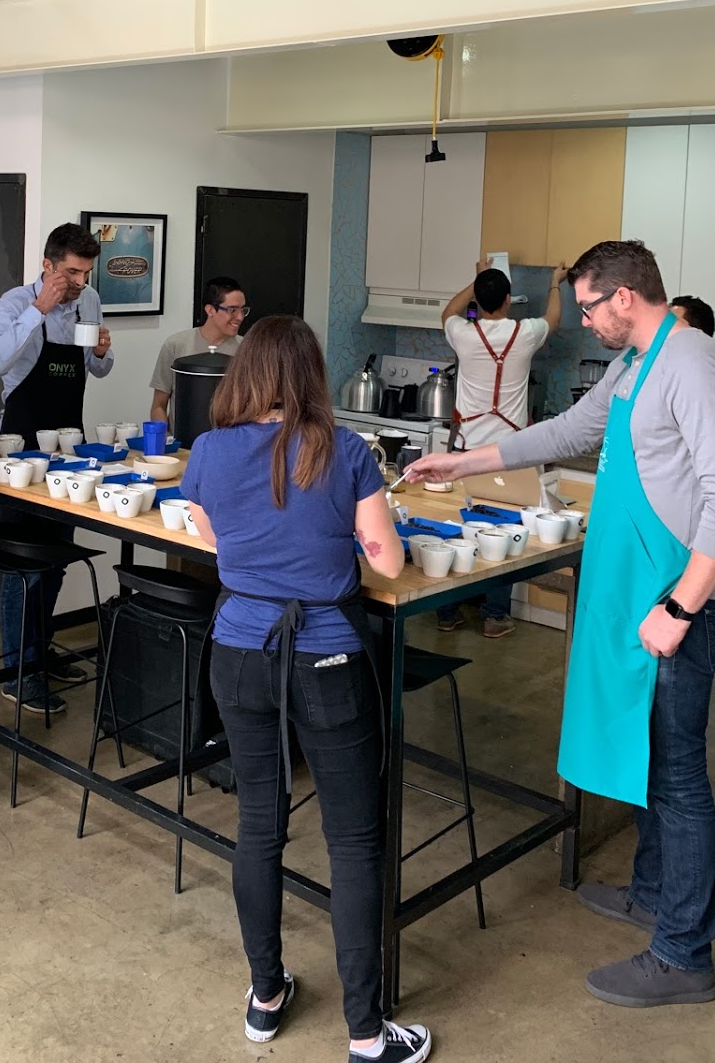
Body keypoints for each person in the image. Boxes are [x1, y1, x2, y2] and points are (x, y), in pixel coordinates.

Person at [408, 240, 715, 1008]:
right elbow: (565, 432)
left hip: (680, 600)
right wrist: (461, 463)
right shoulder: (638, 365)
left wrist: (679, 608)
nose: (587, 321)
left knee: (677, 776)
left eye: (592, 306)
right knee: (649, 758)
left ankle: (683, 953)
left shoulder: (694, 366)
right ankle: (652, 894)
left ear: (624, 297)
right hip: (647, 592)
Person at [181, 316, 431, 1063]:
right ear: (310, 376)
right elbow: (385, 562)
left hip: (237, 651)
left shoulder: (210, 451)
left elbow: (210, 534)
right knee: (354, 843)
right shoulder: (342, 449)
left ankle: (265, 997)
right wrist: (346, 546)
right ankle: (364, 1033)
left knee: (260, 822)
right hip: (325, 657)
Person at [0, 222, 114, 715]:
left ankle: (40, 652)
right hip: (19, 448)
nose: (79, 282)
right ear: (47, 265)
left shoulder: (90, 300)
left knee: (56, 557)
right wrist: (38, 313)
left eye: (85, 273)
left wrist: (102, 352)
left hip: (69, 445)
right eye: (71, 272)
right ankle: (19, 671)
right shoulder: (15, 303)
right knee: (25, 565)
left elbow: (97, 369)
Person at [436, 258, 567, 638]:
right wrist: (555, 283)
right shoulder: (524, 333)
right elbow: (554, 319)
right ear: (508, 300)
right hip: (510, 451)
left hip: (466, 448)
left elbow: (449, 311)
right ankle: (494, 616)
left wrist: (476, 279)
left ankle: (446, 611)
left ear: (479, 298)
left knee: (461, 527)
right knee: (504, 530)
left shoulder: (462, 333)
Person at [149, 277, 248, 424]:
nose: (239, 317)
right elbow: (158, 406)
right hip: (183, 443)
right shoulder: (176, 344)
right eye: (232, 310)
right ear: (210, 310)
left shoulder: (247, 349)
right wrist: (165, 440)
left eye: (243, 310)